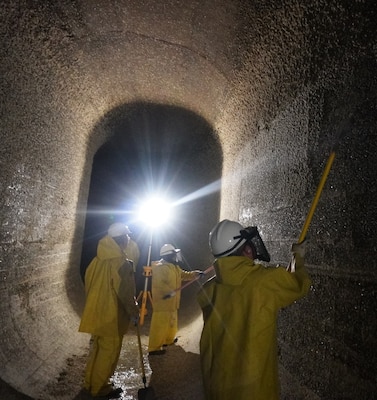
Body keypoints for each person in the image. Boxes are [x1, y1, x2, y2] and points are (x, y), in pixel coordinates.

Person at [197, 219, 312, 400]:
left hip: (217, 387)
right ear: (247, 250)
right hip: (253, 391)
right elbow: (299, 285)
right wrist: (298, 257)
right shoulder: (264, 282)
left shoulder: (208, 290)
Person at [79, 222, 140, 399]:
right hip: (111, 317)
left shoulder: (96, 260)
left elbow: (88, 284)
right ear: (123, 239)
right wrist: (134, 311)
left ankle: (90, 384)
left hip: (96, 313)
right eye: (127, 236)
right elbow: (126, 293)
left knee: (97, 349)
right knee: (109, 352)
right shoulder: (123, 263)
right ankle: (100, 388)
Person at [148, 243, 203, 355]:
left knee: (171, 322)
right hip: (162, 303)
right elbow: (159, 284)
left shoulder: (174, 267)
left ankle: (168, 340)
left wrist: (195, 274)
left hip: (172, 301)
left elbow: (184, 275)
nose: (175, 256)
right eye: (173, 254)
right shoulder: (160, 267)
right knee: (160, 325)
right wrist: (169, 291)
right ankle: (154, 348)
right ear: (168, 255)